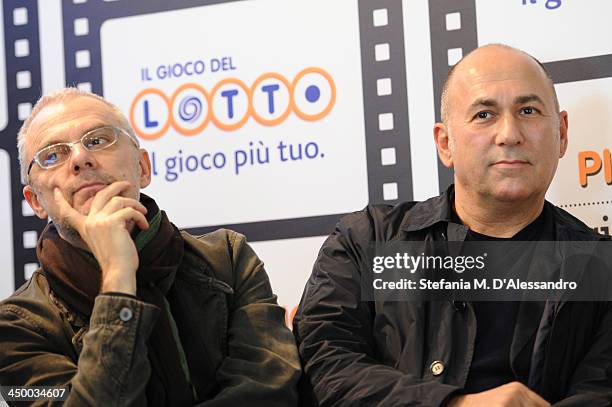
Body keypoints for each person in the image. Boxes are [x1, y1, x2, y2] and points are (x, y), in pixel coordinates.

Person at [294, 44, 612, 406]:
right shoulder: (366, 242)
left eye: (528, 110)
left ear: (562, 133)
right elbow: (326, 366)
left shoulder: (602, 267)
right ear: (445, 143)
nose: (509, 133)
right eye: (483, 115)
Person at [0, 88, 300, 406]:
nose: (80, 159)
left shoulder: (228, 259)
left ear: (143, 168)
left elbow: (270, 394)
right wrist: (117, 277)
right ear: (35, 201)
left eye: (98, 140)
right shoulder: (15, 326)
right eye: (52, 155)